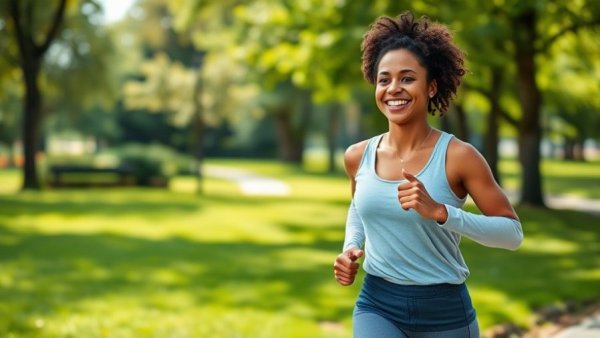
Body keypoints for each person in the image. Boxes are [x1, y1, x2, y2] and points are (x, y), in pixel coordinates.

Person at [333, 11, 523, 338]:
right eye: (384, 79)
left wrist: (440, 212)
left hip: (445, 313)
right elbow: (359, 207)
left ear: (431, 87)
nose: (394, 88)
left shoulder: (459, 157)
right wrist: (351, 246)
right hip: (377, 304)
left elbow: (512, 234)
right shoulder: (357, 156)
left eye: (407, 78)